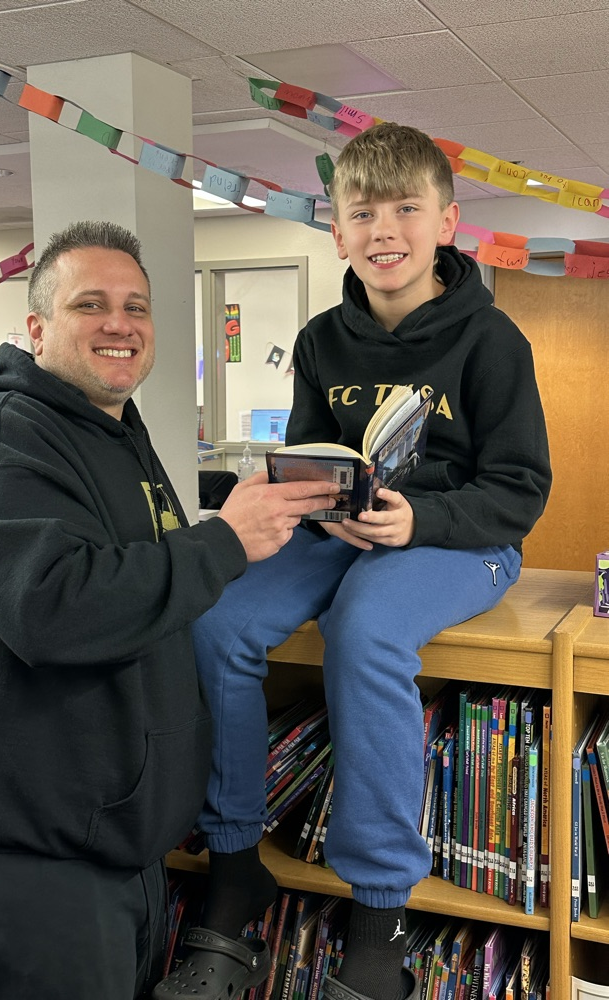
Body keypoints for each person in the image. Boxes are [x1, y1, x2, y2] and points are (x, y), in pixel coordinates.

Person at [0, 220, 340, 1000]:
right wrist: (225, 544)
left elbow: (136, 582)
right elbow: (55, 609)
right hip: (16, 869)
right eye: (90, 304)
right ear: (36, 327)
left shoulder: (115, 433)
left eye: (136, 305)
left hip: (112, 859)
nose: (119, 324)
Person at [152, 124, 552, 1000]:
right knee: (219, 619)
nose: (385, 229)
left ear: (447, 221)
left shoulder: (493, 343)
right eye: (363, 211)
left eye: (407, 209)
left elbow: (521, 489)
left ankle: (378, 924)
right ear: (334, 230)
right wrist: (313, 499)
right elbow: (308, 453)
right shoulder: (321, 339)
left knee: (365, 627)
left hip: (462, 539)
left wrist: (423, 519)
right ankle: (233, 863)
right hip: (341, 529)